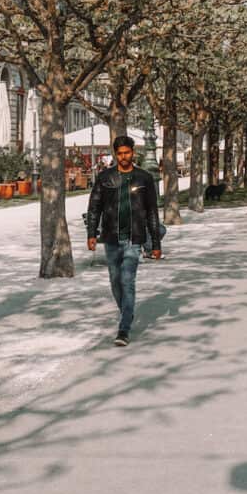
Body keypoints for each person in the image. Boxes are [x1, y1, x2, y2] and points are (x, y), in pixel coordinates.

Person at [86, 135, 161, 347]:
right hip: (111, 238)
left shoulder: (144, 178)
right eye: (119, 153)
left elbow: (152, 213)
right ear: (115, 154)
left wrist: (155, 244)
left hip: (134, 239)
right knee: (115, 281)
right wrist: (92, 233)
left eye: (127, 153)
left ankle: (124, 328)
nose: (123, 157)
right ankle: (126, 312)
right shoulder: (105, 177)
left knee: (127, 280)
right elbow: (94, 207)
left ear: (133, 153)